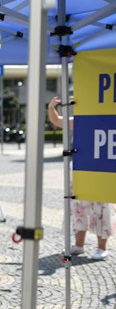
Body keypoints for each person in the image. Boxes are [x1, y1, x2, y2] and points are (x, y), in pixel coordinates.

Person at [48, 96, 112, 260]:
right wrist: (51, 108)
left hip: (101, 170)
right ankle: (79, 245)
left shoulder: (107, 119)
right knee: (78, 206)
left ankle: (101, 247)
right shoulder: (80, 121)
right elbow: (57, 121)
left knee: (101, 207)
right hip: (79, 169)